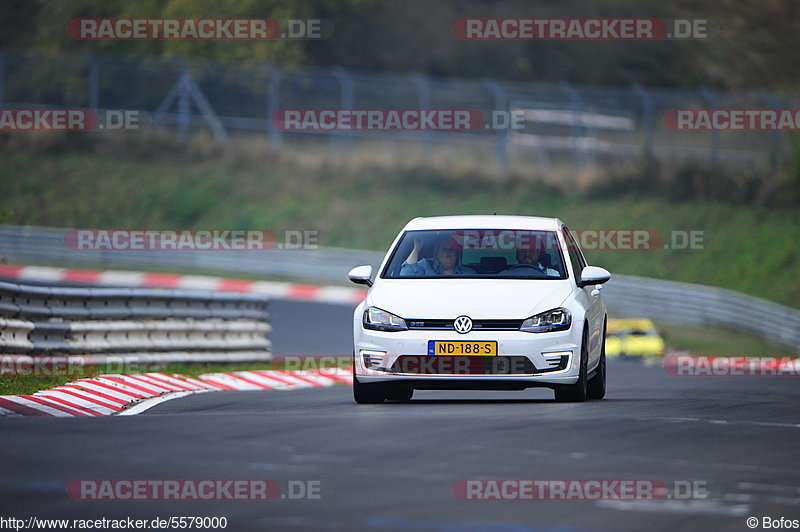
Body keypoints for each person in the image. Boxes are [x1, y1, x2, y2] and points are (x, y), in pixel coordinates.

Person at [400, 236, 476, 276]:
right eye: (444, 248)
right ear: (437, 253)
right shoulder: (425, 266)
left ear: (457, 254)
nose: (448, 251)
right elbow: (405, 274)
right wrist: (416, 249)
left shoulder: (469, 273)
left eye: (451, 249)